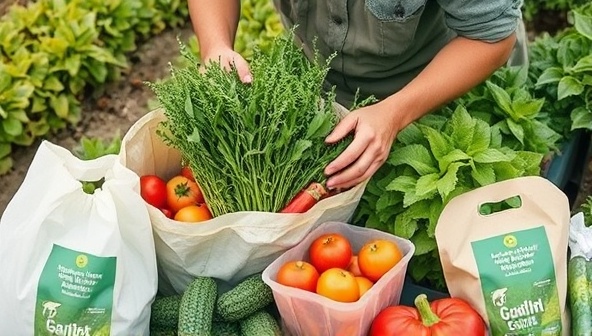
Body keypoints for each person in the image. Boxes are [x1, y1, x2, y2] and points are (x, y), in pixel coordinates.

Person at [187, 0, 524, 190]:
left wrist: (394, 114)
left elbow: (490, 37)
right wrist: (215, 44)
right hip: (318, 67)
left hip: (442, 78)